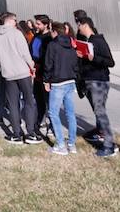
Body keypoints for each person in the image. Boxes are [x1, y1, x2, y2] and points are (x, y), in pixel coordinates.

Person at [0, 12, 40, 145]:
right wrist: (31, 66)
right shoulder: (17, 33)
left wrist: (3, 69)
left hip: (8, 74)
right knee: (29, 102)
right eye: (15, 20)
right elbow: (25, 53)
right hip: (22, 72)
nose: (16, 22)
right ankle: (30, 133)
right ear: (9, 20)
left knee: (13, 104)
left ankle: (16, 134)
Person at [76, 17, 118, 157]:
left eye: (79, 25)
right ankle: (100, 133)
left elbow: (110, 62)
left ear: (86, 25)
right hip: (89, 80)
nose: (78, 28)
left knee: (100, 112)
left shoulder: (98, 41)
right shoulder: (87, 41)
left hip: (98, 81)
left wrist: (92, 58)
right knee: (98, 111)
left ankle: (109, 145)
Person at [43, 21, 79, 155]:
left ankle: (60, 145)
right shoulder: (71, 44)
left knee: (53, 113)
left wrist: (46, 80)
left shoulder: (52, 45)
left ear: (55, 32)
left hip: (58, 82)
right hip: (70, 81)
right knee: (70, 113)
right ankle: (71, 143)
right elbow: (75, 63)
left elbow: (48, 64)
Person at [30, 15, 53, 131]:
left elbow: (48, 57)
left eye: (38, 24)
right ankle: (41, 119)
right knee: (38, 98)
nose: (36, 25)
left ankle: (52, 124)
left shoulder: (49, 38)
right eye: (36, 23)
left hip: (45, 72)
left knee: (49, 100)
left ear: (46, 25)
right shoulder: (36, 36)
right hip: (36, 71)